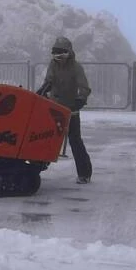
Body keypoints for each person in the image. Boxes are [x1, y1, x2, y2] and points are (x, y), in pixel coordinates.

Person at [37, 36, 93, 184]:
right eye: (56, 54)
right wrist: (43, 90)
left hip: (71, 108)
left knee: (75, 140)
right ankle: (35, 166)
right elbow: (49, 80)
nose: (58, 58)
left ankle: (85, 172)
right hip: (55, 107)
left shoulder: (76, 67)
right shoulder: (53, 65)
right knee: (44, 136)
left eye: (62, 54)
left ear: (68, 53)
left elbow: (84, 87)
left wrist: (80, 100)